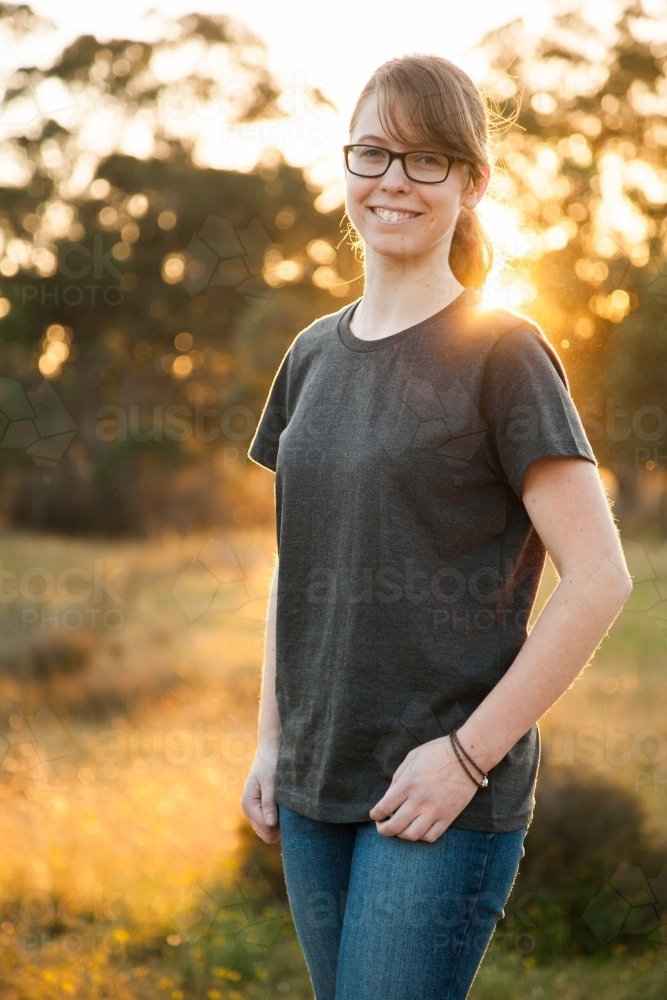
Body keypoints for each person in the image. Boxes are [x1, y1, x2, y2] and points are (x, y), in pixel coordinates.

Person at [241, 54, 632, 1000]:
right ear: (345, 169)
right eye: (373, 153)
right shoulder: (309, 357)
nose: (394, 181)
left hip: (440, 795)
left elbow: (598, 578)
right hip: (313, 777)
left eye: (426, 160)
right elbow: (299, 568)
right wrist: (269, 741)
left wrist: (466, 756)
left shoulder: (503, 352)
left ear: (472, 181)